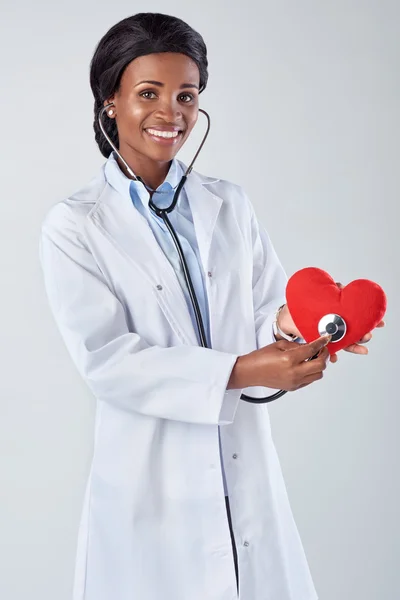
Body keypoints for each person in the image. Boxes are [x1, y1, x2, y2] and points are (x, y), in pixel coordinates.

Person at [39, 12, 383, 600]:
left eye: (186, 95)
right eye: (148, 93)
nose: (170, 112)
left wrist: (302, 326)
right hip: (149, 479)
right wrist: (250, 369)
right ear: (109, 101)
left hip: (240, 465)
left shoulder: (229, 203)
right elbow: (109, 362)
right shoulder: (75, 225)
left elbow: (262, 309)